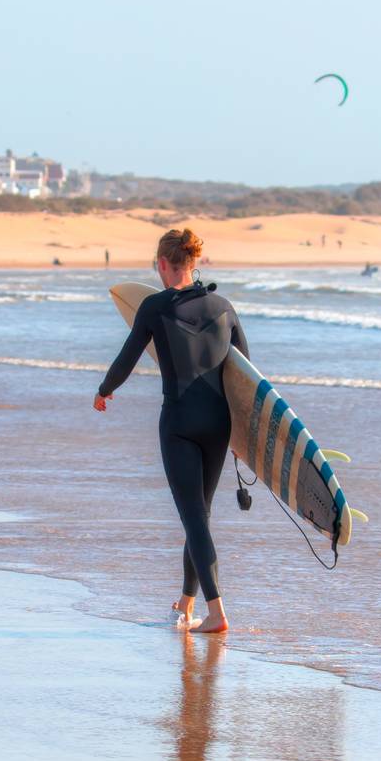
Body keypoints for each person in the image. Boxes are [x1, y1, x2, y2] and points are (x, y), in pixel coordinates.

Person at [93, 228, 246, 635]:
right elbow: (247, 379)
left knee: (194, 518)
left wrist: (104, 390)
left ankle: (217, 613)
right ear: (194, 263)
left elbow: (127, 357)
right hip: (219, 425)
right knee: (200, 517)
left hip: (179, 423)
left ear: (162, 264)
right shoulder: (224, 307)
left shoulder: (155, 307)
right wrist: (244, 438)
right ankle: (187, 602)